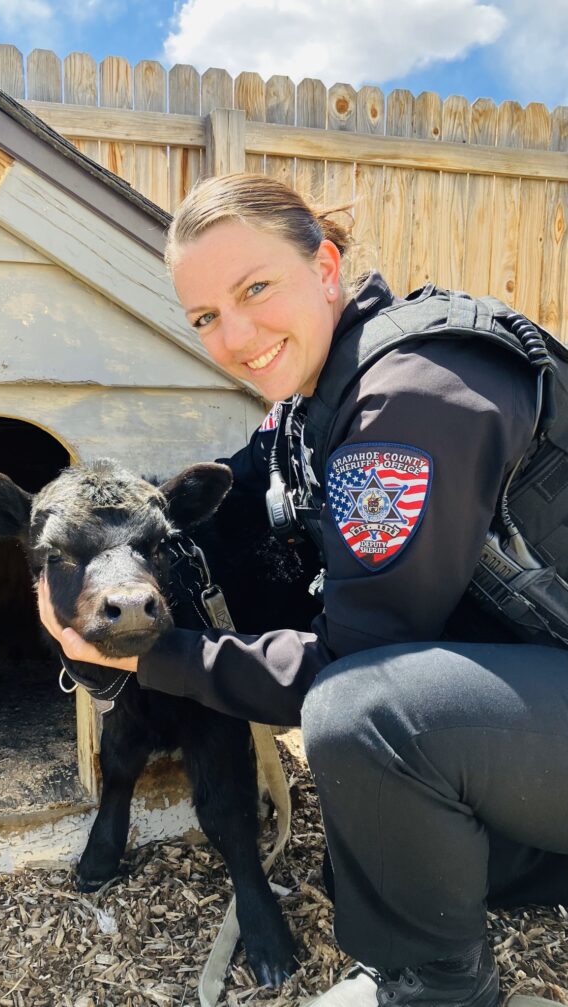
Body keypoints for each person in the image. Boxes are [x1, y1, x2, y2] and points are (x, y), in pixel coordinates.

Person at [37, 173, 568, 1007]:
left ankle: (437, 989)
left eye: (256, 288)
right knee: (372, 848)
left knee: (367, 716)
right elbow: (214, 517)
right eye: (206, 316)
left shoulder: (408, 401)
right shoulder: (309, 411)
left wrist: (158, 658)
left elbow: (351, 663)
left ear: (324, 266)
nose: (235, 334)